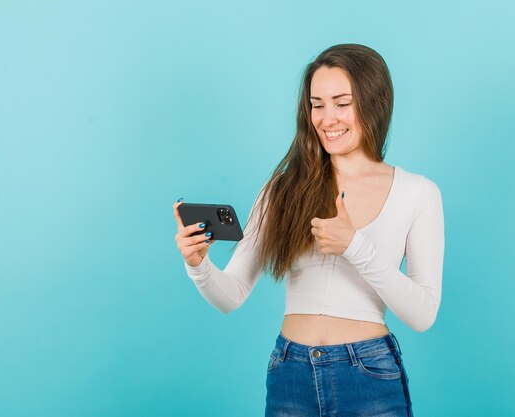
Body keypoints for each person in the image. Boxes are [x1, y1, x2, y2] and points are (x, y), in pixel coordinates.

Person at [172, 43, 443, 417]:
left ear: (374, 102)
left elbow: (423, 314)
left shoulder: (418, 193)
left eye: (341, 103)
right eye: (317, 104)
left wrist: (355, 247)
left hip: (368, 375)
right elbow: (231, 295)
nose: (327, 118)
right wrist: (199, 265)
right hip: (290, 373)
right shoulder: (283, 189)